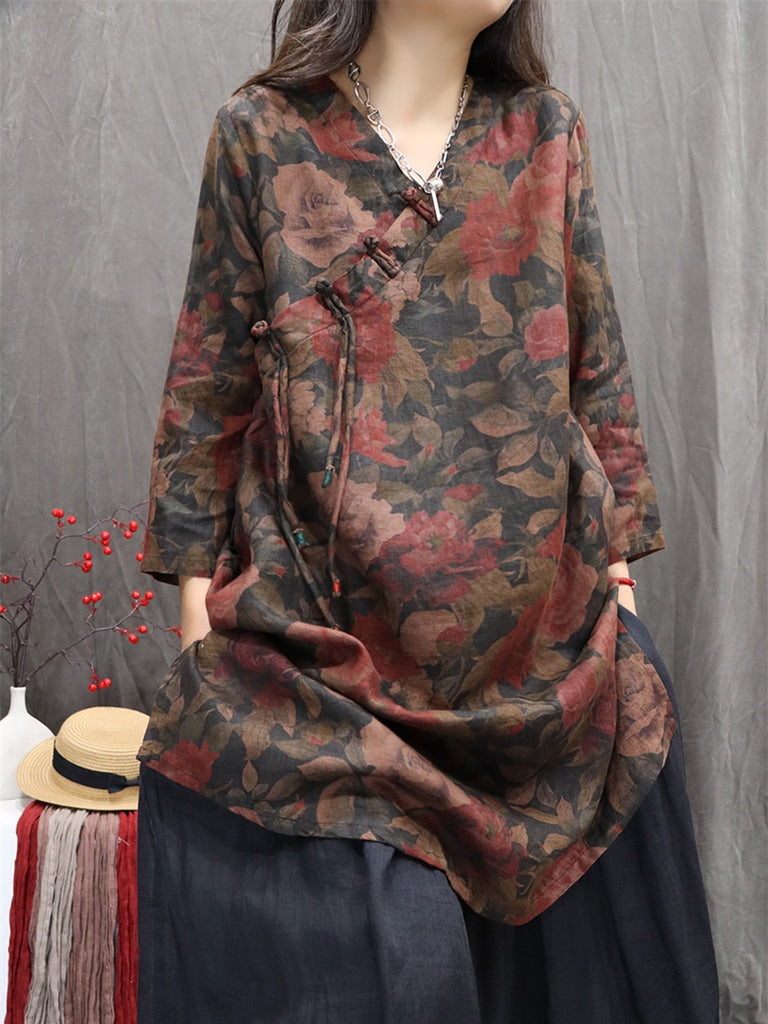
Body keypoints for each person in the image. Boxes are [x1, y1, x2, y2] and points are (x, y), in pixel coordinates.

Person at [135, 1, 719, 1021]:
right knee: (397, 972)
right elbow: (208, 378)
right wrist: (195, 605)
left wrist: (618, 580)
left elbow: (594, 368)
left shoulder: (544, 130)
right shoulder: (261, 134)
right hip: (326, 663)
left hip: (543, 671)